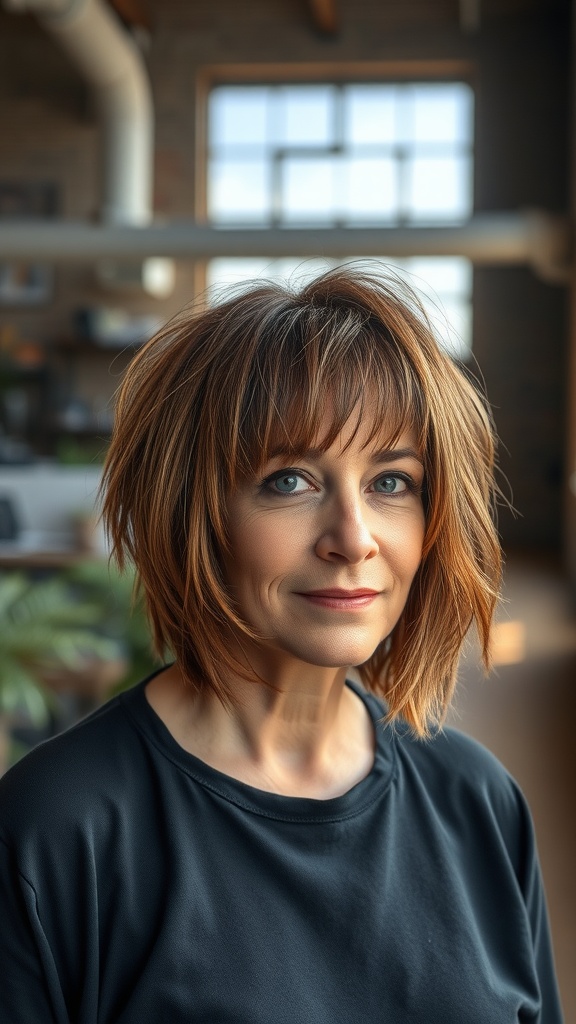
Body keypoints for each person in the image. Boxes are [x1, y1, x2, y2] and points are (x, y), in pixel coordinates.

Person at [0, 266, 563, 1023]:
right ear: (190, 512)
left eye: (392, 482)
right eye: (289, 481)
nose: (354, 539)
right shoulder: (55, 831)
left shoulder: (479, 802)